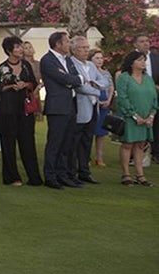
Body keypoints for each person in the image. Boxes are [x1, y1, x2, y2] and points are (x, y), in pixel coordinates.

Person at [0, 36, 43, 186]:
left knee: (28, 143)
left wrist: (25, 85)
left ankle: (34, 177)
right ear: (9, 50)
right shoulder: (1, 69)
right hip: (7, 109)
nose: (21, 49)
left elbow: (34, 83)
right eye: (17, 47)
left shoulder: (26, 66)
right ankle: (12, 177)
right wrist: (10, 86)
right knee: (8, 144)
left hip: (24, 109)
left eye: (21, 46)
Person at [39, 31, 84, 189]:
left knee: (67, 143)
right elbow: (64, 79)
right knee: (55, 143)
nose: (69, 44)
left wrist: (73, 80)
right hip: (57, 107)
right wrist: (73, 80)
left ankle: (63, 174)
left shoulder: (68, 60)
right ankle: (50, 176)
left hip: (70, 105)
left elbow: (74, 77)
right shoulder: (48, 60)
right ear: (58, 44)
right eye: (67, 42)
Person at [115, 51, 158, 186]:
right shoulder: (124, 78)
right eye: (139, 60)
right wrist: (134, 115)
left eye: (144, 60)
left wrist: (151, 115)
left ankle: (140, 175)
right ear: (131, 63)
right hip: (130, 117)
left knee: (140, 144)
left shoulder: (148, 79)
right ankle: (126, 174)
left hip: (146, 117)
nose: (143, 62)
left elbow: (154, 98)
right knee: (128, 144)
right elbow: (122, 98)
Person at [69, 36, 102, 184]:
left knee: (87, 141)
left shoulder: (91, 65)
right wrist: (96, 91)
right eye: (83, 48)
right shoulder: (71, 64)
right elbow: (80, 87)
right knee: (74, 141)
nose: (86, 50)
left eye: (87, 47)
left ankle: (84, 171)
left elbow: (104, 81)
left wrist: (94, 84)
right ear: (74, 49)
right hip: (80, 107)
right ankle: (71, 171)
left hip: (93, 107)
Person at [130, 34, 159, 165]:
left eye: (147, 41)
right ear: (135, 44)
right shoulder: (131, 58)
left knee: (156, 125)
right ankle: (133, 155)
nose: (146, 43)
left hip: (154, 97)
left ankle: (155, 153)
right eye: (142, 41)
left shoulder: (155, 58)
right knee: (137, 125)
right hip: (137, 98)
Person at [91, 50, 115, 168]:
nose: (100, 60)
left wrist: (108, 100)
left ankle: (99, 158)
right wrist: (97, 101)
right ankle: (85, 157)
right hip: (93, 102)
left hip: (105, 102)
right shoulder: (89, 73)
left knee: (101, 133)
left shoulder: (106, 73)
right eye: (97, 58)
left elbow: (111, 87)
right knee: (89, 132)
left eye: (101, 58)